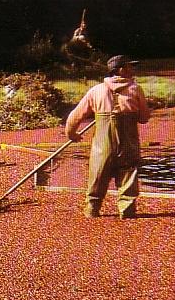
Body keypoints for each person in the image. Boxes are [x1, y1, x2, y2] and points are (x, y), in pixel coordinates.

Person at [65, 55, 151, 219]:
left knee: (97, 176)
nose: (133, 70)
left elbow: (74, 117)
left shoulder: (96, 91)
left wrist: (72, 134)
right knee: (128, 176)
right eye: (130, 67)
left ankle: (92, 210)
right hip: (128, 145)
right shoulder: (135, 89)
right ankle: (127, 212)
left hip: (101, 147)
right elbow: (144, 117)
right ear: (121, 70)